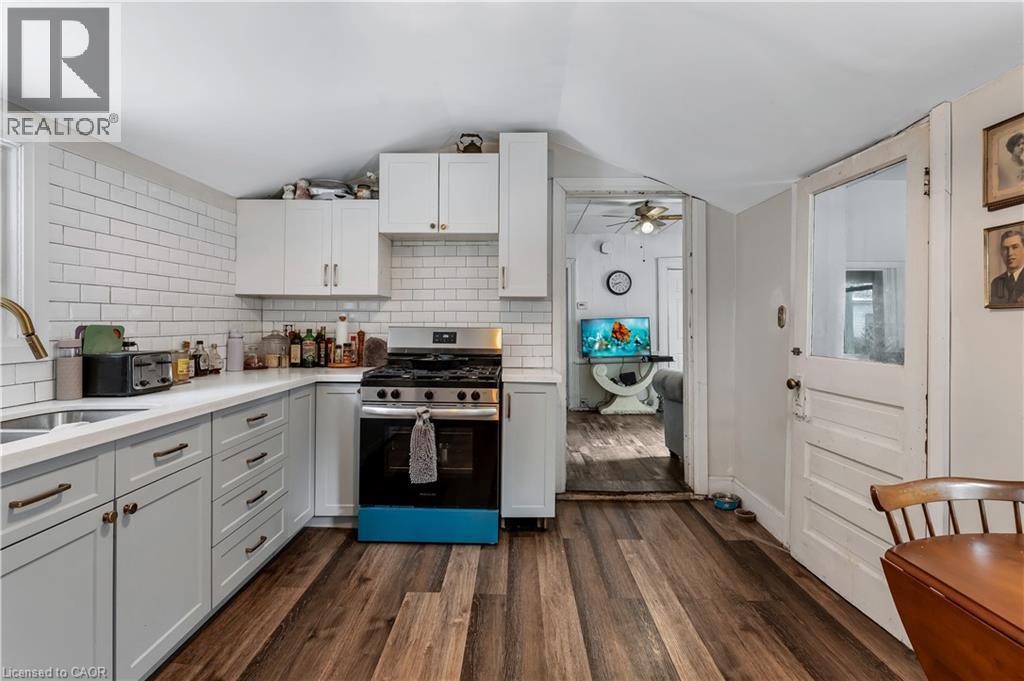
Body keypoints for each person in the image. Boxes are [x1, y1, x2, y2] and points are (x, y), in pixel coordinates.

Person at [990, 229, 1024, 305]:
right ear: (1001, 253)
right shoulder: (996, 283)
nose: (1010, 253)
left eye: (1015, 247)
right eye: (1005, 249)